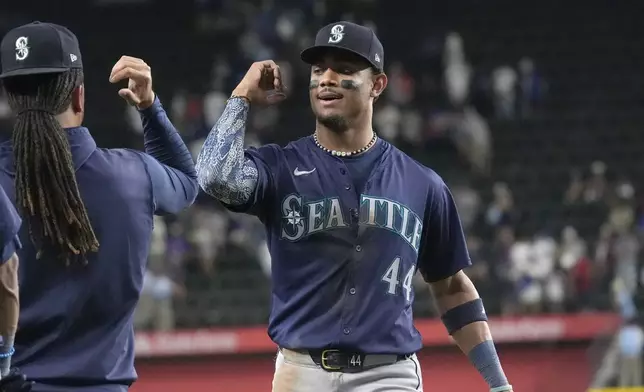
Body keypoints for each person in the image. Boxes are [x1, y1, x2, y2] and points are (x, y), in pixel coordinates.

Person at [196, 21, 512, 392]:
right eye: (319, 70)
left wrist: (498, 383)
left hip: (388, 374)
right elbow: (215, 177)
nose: (327, 79)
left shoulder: (422, 184)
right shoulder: (279, 167)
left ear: (377, 85)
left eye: (344, 70)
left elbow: (452, 286)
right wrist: (242, 95)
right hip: (301, 371)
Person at [0, 21, 198, 392]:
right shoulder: (134, 176)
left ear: (10, 99)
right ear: (79, 96)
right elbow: (187, 183)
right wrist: (150, 107)